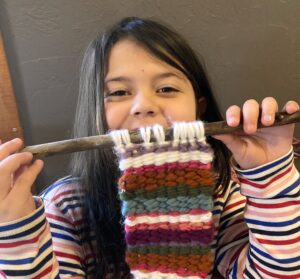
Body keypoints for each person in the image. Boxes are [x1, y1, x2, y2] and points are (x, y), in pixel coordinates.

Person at [0, 16, 299, 279]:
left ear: (199, 109)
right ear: (96, 115)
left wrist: (271, 175)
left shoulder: (221, 198)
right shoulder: (67, 206)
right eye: (118, 92)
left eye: (166, 88)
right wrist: (16, 229)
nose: (144, 106)